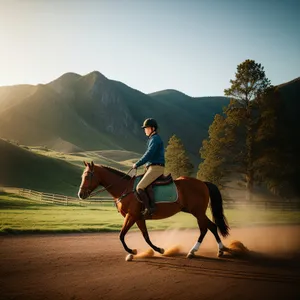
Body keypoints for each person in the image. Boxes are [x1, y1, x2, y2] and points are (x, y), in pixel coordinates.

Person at [132, 118, 165, 216]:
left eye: (146, 128)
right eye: (144, 128)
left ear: (153, 128)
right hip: (151, 167)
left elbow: (149, 154)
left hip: (156, 168)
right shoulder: (152, 139)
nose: (145, 130)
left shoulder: (155, 139)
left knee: (139, 187)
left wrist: (137, 164)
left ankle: (150, 209)